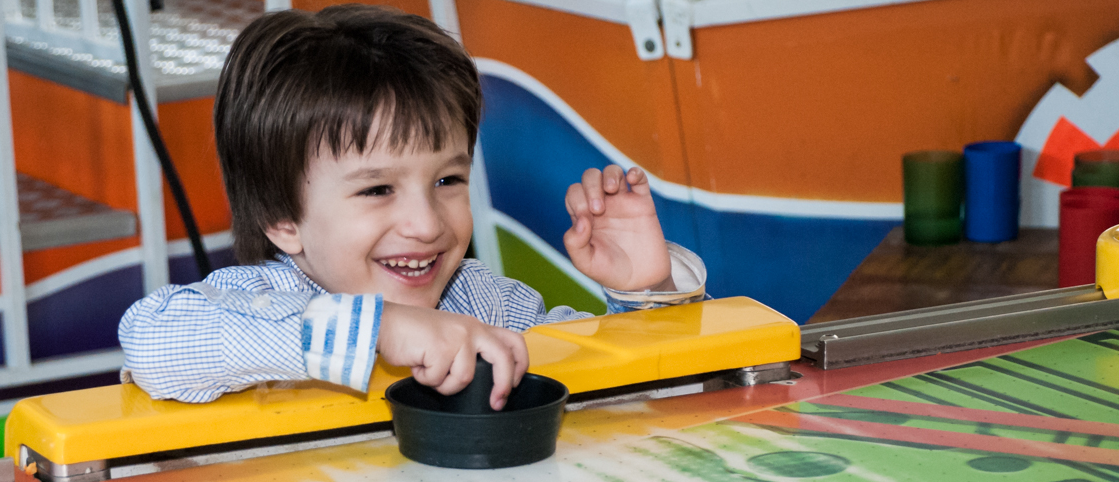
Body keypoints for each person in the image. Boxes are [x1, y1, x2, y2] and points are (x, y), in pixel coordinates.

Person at [118, 5, 705, 409]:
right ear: (283, 218)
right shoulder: (254, 304)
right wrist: (378, 331)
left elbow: (639, 397)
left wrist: (647, 292)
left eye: (448, 179)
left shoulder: (488, 304)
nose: (427, 224)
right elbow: (153, 341)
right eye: (377, 189)